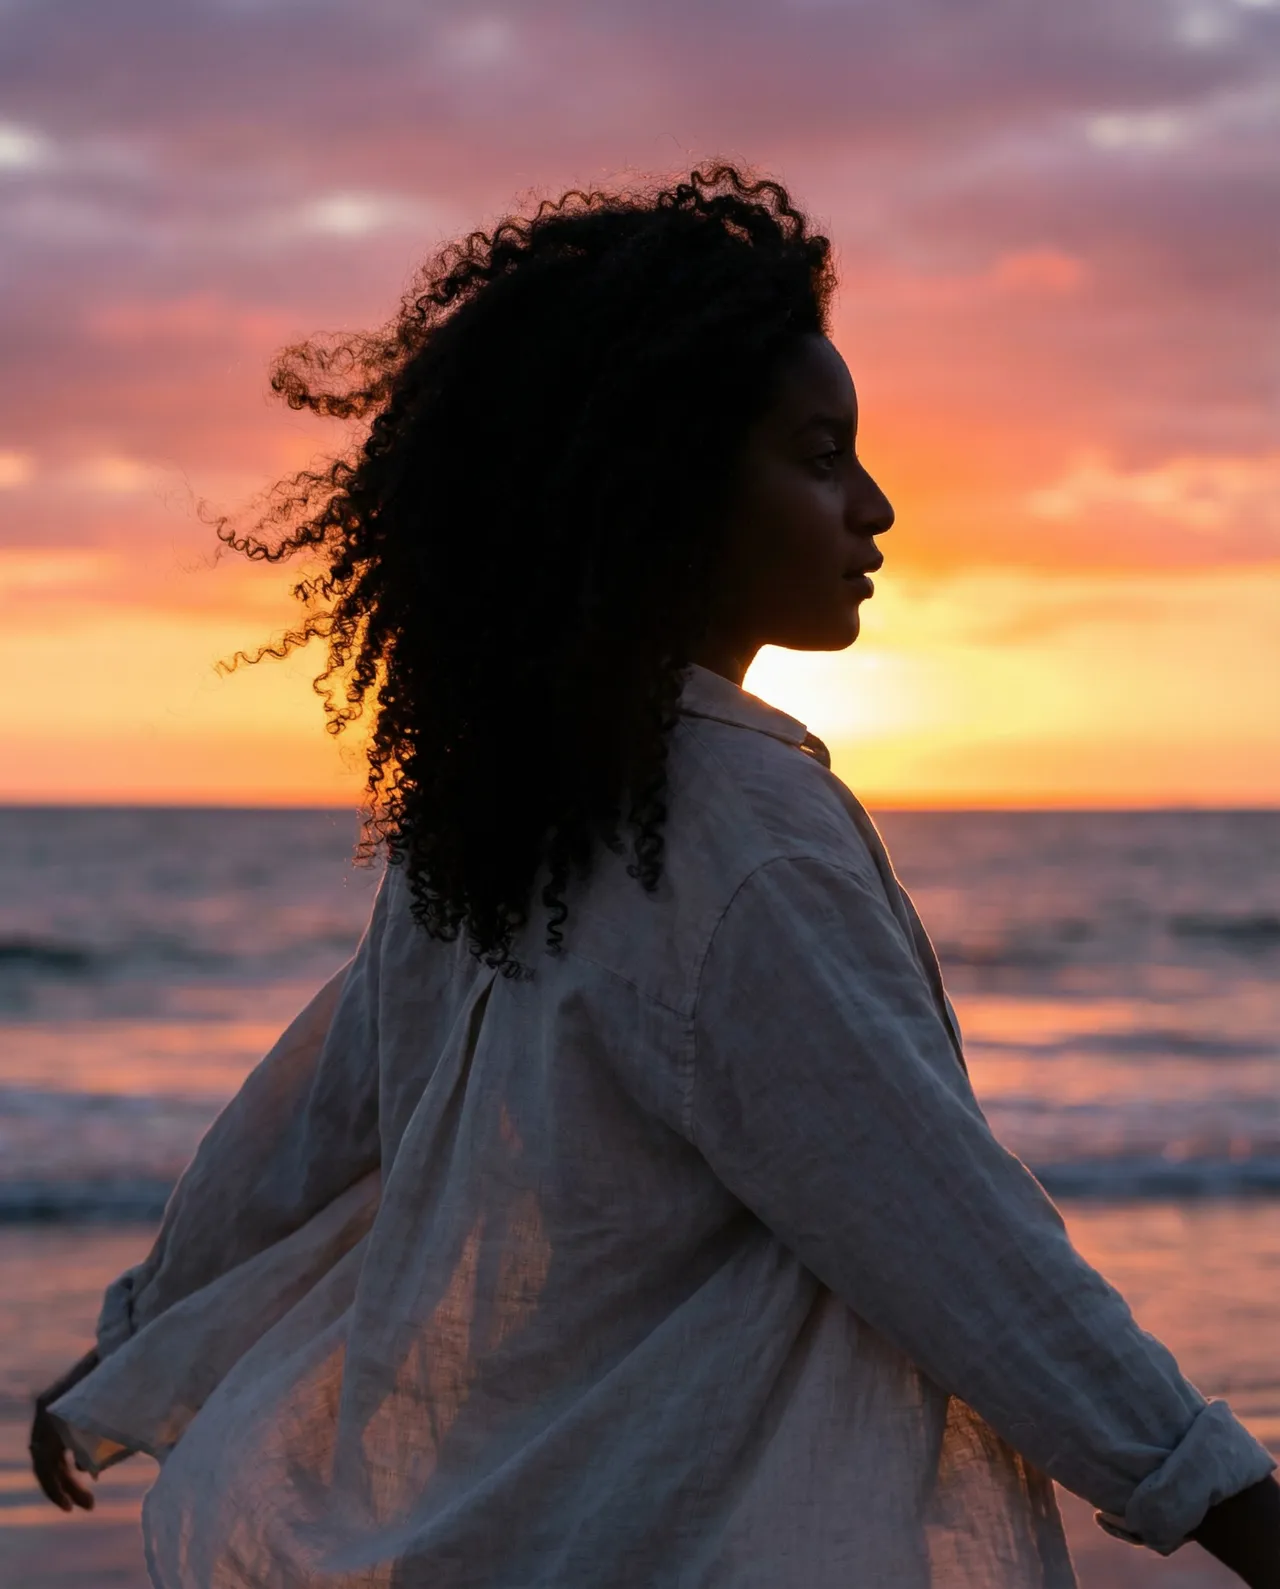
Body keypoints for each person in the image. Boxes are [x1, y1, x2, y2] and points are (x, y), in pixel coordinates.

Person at [30, 163, 1280, 1588]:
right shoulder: (742, 835)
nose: (874, 506)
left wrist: (134, 1331)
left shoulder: (512, 815)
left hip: (537, 1522)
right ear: (667, 488)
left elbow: (303, 1118)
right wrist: (1227, 1499)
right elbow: (954, 1235)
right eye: (818, 456)